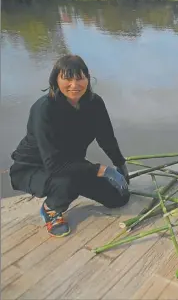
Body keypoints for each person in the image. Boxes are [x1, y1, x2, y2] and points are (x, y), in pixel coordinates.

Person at [9, 55, 131, 237]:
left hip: (70, 165)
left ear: (88, 79)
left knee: (119, 198)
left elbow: (106, 138)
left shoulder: (94, 103)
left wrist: (120, 166)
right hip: (34, 167)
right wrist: (101, 170)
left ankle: (71, 188)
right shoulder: (44, 109)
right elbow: (54, 165)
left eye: (80, 78)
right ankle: (51, 209)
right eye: (67, 78)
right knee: (67, 183)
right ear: (55, 80)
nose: (75, 85)